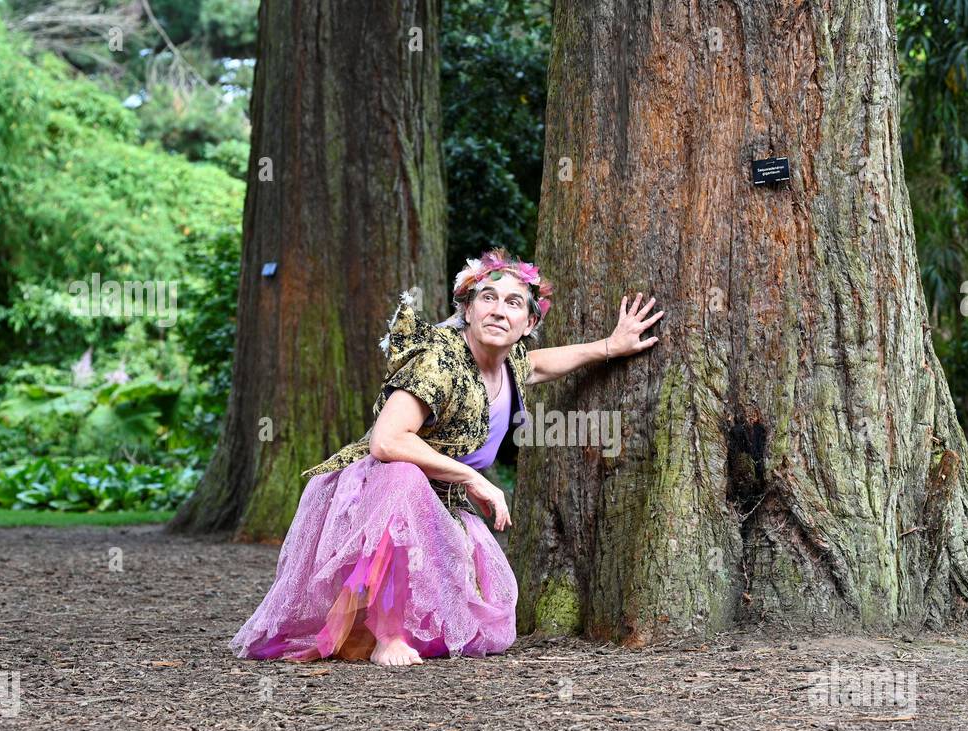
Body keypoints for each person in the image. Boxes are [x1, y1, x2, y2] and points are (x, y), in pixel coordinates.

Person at [230, 247, 664, 666]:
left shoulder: (508, 359)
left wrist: (609, 346)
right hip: (376, 491)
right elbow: (388, 442)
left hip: (441, 499)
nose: (498, 310)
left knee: (484, 625)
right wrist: (473, 478)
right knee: (403, 478)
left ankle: (391, 626)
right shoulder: (439, 359)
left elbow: (539, 365)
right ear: (468, 310)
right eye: (487, 298)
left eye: (514, 303)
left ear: (529, 321)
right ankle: (387, 634)